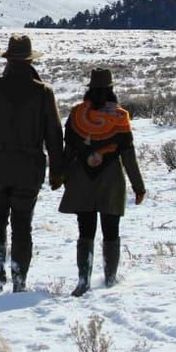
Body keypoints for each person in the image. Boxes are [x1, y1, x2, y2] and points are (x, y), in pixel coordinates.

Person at [0, 34, 63, 293]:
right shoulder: (43, 93)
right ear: (30, 60)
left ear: (8, 59)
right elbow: (54, 135)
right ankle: (19, 277)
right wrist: (57, 172)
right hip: (28, 169)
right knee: (23, 224)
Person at [59, 68, 145, 297]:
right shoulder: (119, 116)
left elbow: (68, 150)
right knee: (111, 231)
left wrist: (61, 176)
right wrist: (138, 186)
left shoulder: (77, 114)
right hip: (111, 180)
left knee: (85, 230)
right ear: (111, 90)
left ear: (90, 89)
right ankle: (109, 279)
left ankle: (83, 281)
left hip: (81, 178)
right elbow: (128, 154)